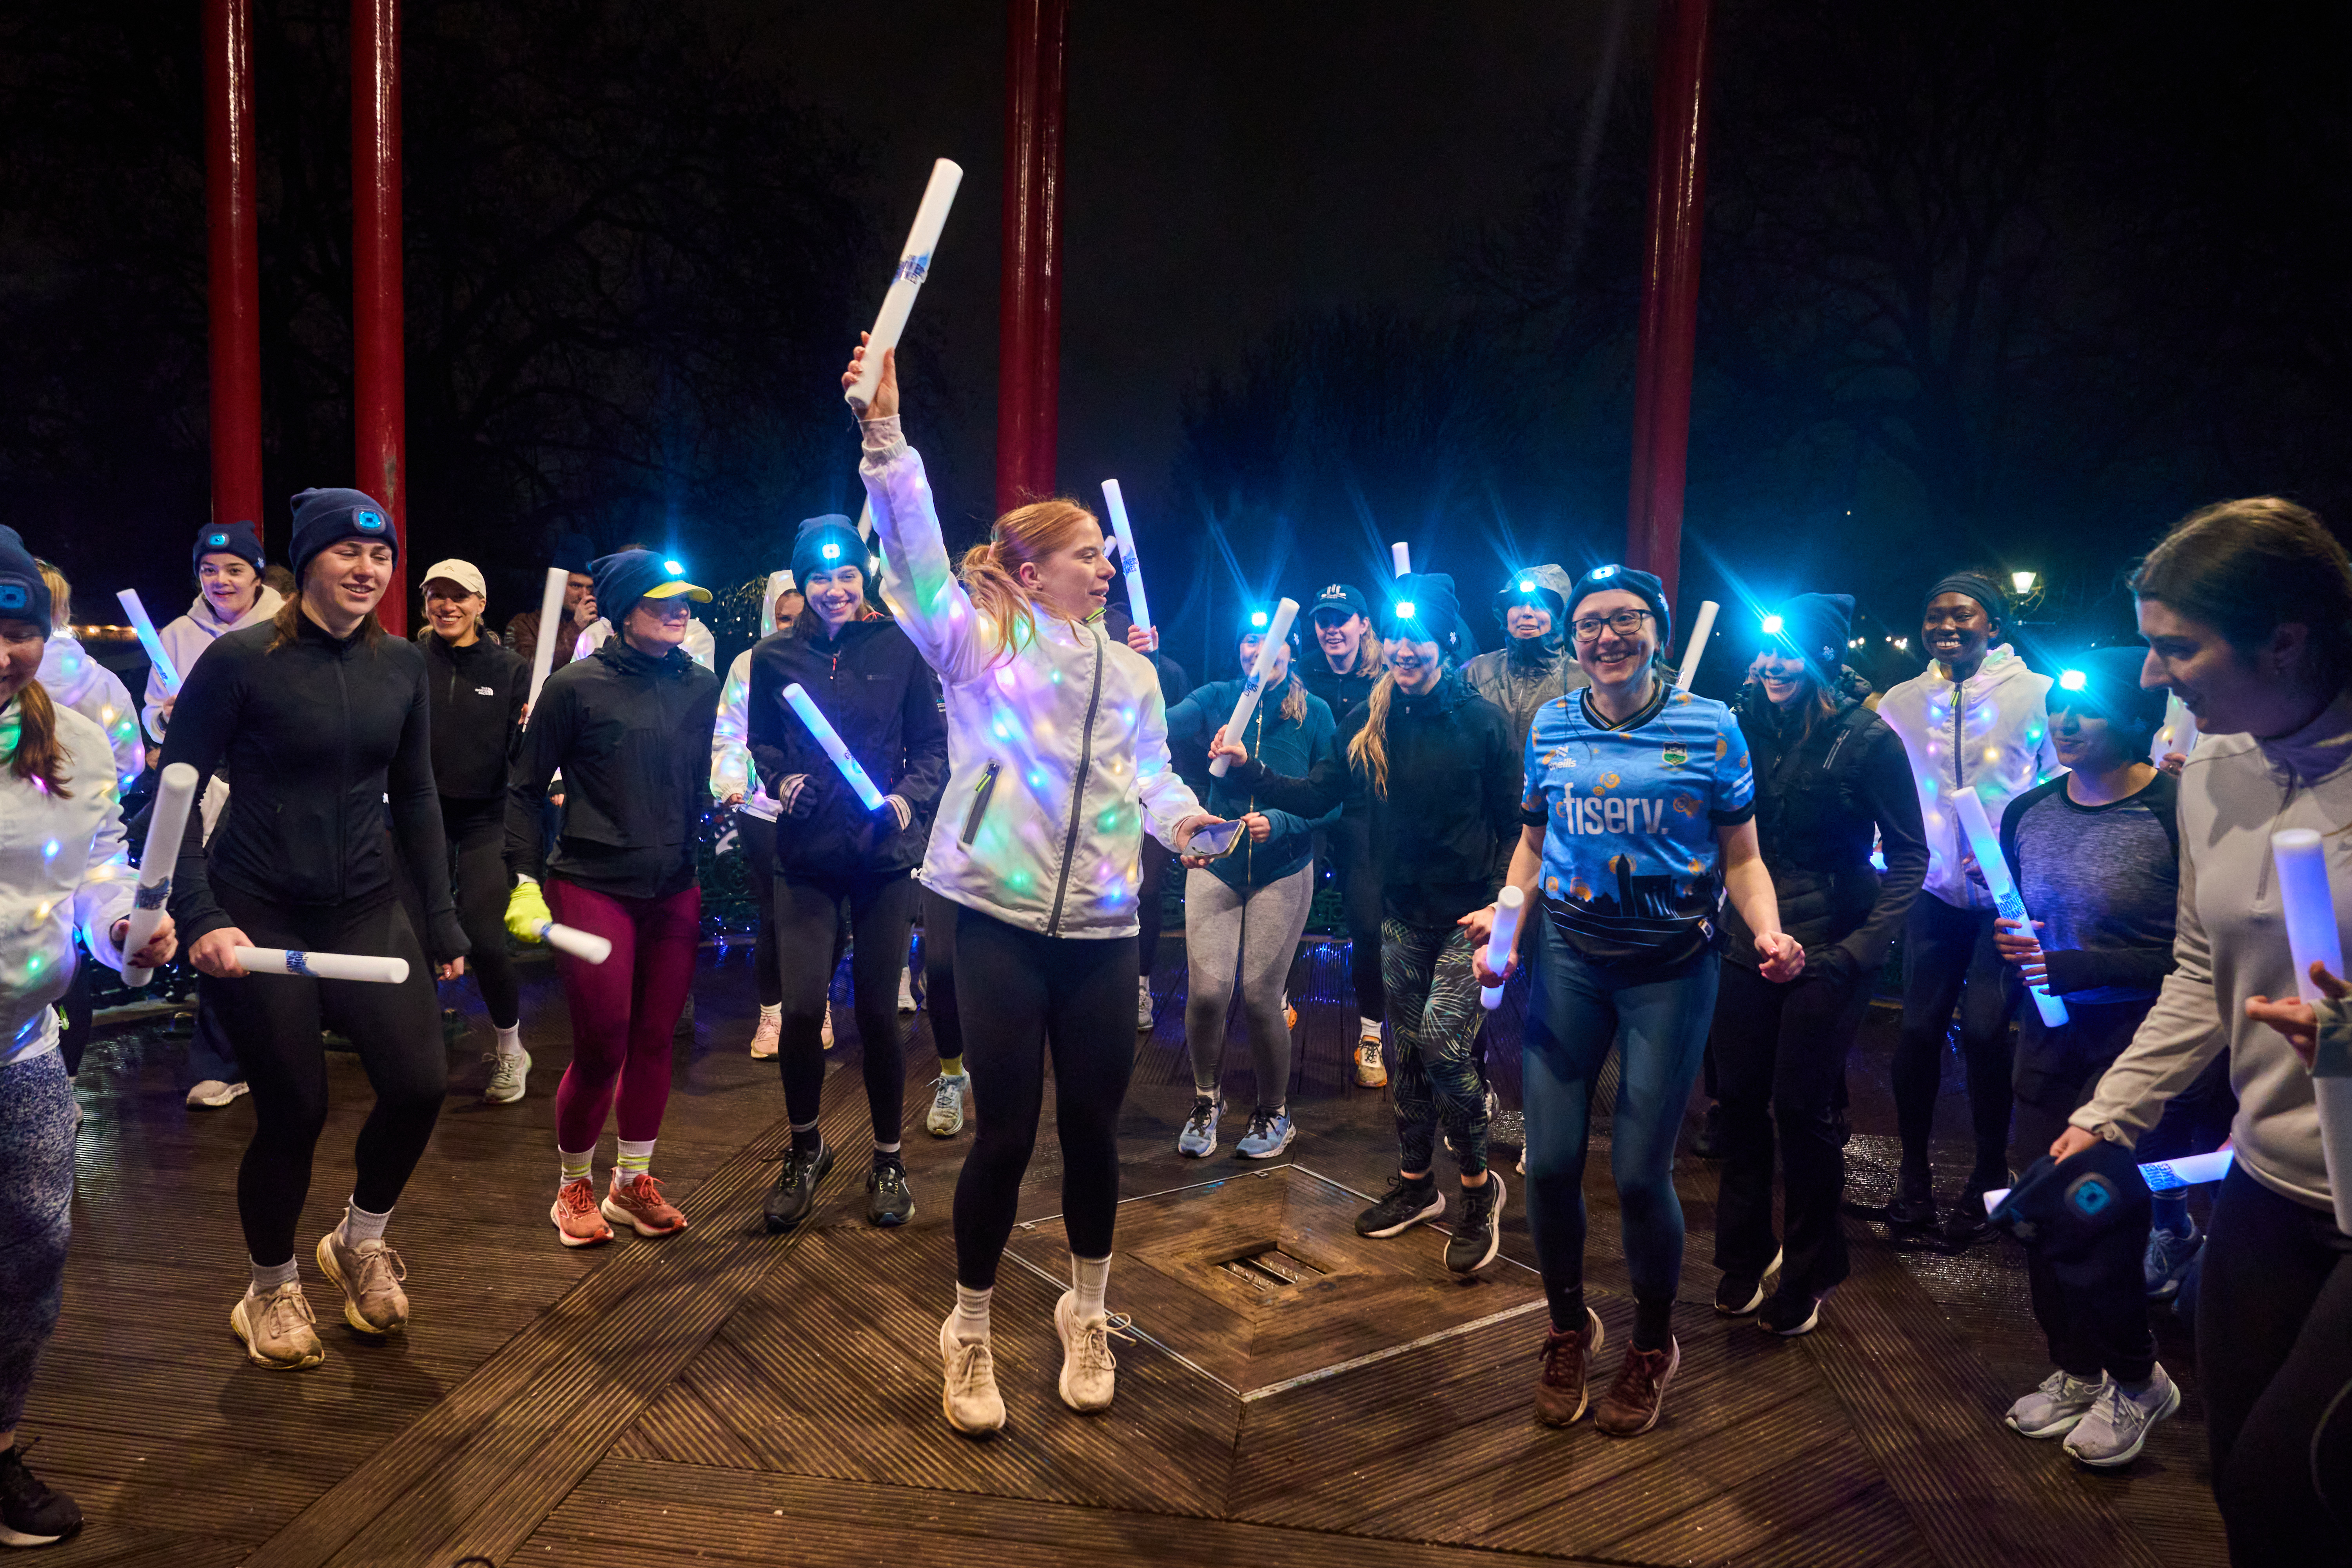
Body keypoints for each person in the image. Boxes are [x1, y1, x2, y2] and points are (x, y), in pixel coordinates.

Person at [846, 338, 1220, 1436]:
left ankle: (1087, 1309)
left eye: (1107, 558)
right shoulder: (980, 646)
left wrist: (1185, 818)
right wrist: (886, 436)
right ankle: (967, 1329)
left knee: (1097, 1135)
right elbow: (916, 565)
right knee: (1006, 1136)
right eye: (1089, 556)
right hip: (998, 925)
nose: (1106, 570)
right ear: (1028, 568)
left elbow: (1150, 775)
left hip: (1107, 932)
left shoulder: (1138, 672)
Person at [2052, 499, 2350, 1559]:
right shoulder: (2213, 769)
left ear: (2287, 640)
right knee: (2238, 1482)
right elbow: (2197, 971)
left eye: (2177, 647)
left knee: (2293, 1481)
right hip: (2271, 1185)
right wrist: (2114, 1113)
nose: (2148, 679)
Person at [1468, 563, 1804, 1439]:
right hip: (1572, 959)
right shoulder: (1551, 722)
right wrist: (1505, 933)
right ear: (1572, 640)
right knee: (1545, 1163)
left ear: (1655, 630)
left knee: (1637, 1172)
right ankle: (1567, 1325)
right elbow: (1534, 844)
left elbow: (1743, 856)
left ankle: (1654, 1342)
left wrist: (1766, 932)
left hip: (1670, 969)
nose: (1606, 637)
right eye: (1589, 624)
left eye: (1624, 621)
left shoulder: (1711, 725)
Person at [162, 489, 469, 1369]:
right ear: (307, 563)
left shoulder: (402, 664)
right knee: (296, 1107)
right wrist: (200, 913)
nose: (368, 570)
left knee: (418, 1084)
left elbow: (414, 794)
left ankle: (359, 1238)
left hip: (367, 902)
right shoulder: (239, 660)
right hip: (258, 906)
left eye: (381, 557)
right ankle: (268, 1286)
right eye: (347, 553)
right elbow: (177, 790)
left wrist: (441, 913)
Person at [1214, 573, 1520, 1274]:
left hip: (1466, 920)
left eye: (1419, 636)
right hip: (1401, 916)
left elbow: (1515, 827)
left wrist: (1500, 904)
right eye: (1397, 636)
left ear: (1446, 639)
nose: (1405, 648)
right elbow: (1320, 791)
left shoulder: (1483, 722)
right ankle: (1418, 1187)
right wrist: (1247, 770)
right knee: (1407, 1056)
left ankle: (1478, 1190)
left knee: (1444, 1048)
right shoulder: (1370, 722)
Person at [0, 528, 178, 1547]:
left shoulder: (70, 739)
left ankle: (2, 1448)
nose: (0, 654)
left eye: (18, 630)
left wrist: (121, 927)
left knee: (32, 1249)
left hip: (21, 1044)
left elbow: (101, 865)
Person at [1985, 644, 2187, 1467]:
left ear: (2135, 718)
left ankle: (2138, 1379)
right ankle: (2074, 1365)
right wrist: (2014, 952)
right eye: (2059, 709)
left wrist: (2078, 965)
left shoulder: (2177, 811)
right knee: (2037, 1206)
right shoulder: (2027, 810)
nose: (2065, 723)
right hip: (2048, 1039)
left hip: (2140, 1043)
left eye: (2089, 709)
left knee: (2095, 1210)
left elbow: (2197, 955)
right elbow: (2020, 930)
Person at [1708, 595, 1927, 1337]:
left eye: (1793, 650)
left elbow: (1909, 858)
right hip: (1747, 938)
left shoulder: (1868, 739)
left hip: (1833, 948)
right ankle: (1744, 1256)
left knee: (1802, 1111)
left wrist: (1861, 952)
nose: (1775, 664)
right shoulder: (1736, 727)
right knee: (1735, 1102)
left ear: (1827, 657)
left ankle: (1811, 1267)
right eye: (1767, 649)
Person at [506, 548, 721, 1249]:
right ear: (626, 611)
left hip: (674, 885)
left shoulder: (700, 684)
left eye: (683, 603)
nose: (679, 613)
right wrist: (523, 879)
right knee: (602, 1043)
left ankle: (631, 1183)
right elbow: (523, 788)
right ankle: (573, 1185)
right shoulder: (575, 687)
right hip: (593, 882)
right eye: (662, 603)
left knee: (657, 1039)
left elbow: (701, 773)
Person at [750, 516, 947, 1231]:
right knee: (801, 1010)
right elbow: (762, 742)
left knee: (877, 1014)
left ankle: (889, 1157)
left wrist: (907, 798)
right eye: (818, 578)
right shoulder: (774, 657)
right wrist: (783, 781)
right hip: (804, 859)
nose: (833, 590)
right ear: (799, 584)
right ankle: (806, 1149)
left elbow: (932, 745)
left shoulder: (900, 648)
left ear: (863, 580)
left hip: (883, 860)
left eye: (846, 577)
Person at [1876, 570, 2059, 1239]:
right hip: (1932, 894)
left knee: (1984, 1031)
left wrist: (2020, 856)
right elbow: (1883, 790)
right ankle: (1914, 1177)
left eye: (1963, 614)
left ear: (1996, 626)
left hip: (2004, 896)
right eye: (1935, 615)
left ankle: (1990, 1176)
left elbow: (2060, 786)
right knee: (1918, 1032)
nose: (1946, 626)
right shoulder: (1899, 701)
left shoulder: (2036, 695)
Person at [1165, 605, 1337, 1158]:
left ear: (1289, 649)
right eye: (1248, 640)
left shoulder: (1315, 712)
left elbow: (1331, 802)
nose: (1258, 649)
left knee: (1262, 997)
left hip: (1282, 866)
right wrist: (1140, 668)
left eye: (1269, 641)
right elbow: (1163, 724)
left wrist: (1283, 822)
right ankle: (1207, 1100)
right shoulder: (1216, 697)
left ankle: (1274, 1113)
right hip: (1217, 861)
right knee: (1210, 993)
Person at [141, 522, 288, 1111]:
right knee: (215, 911)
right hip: (203, 789)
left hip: (273, 787)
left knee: (273, 916)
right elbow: (153, 719)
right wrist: (168, 719)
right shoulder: (175, 635)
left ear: (257, 571)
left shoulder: (290, 626)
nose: (221, 580)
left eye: (233, 569)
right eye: (209, 570)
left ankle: (278, 1051)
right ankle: (219, 1059)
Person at [416, 559, 531, 1103]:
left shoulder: (510, 669)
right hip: (420, 817)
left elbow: (522, 755)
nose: (447, 605)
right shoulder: (408, 662)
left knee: (485, 938)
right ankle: (414, 1054)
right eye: (436, 596)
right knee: (410, 937)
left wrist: (530, 731)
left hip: (486, 818)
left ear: (480, 604)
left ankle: (511, 1050)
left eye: (458, 596)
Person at [1299, 583, 1390, 1086]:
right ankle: (1280, 1002)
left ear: (1363, 624)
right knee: (1285, 894)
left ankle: (1372, 1033)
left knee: (1367, 924)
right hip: (1312, 801)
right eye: (1323, 619)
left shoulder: (1385, 674)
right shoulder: (1301, 670)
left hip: (1361, 808)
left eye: (1342, 619)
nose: (1332, 628)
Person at [1111, 604, 1194, 1030]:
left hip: (1151, 796)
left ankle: (1141, 986)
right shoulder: (1082, 670)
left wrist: (1155, 666)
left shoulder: (1166, 671)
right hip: (1106, 803)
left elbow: (1175, 730)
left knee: (1145, 891)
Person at [1461, 565, 1589, 755]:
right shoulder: (1476, 672)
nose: (1527, 612)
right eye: (1519, 603)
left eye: (1540, 605)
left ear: (1562, 616)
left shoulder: (1585, 680)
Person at [569, 544, 716, 671]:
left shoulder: (695, 636)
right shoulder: (592, 637)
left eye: (684, 600)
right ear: (626, 609)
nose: (683, 611)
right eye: (664, 600)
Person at [501, 533, 597, 676]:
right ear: (556, 585)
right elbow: (529, 672)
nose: (584, 595)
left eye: (589, 588)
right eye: (576, 586)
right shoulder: (524, 625)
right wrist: (575, 627)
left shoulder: (599, 625)